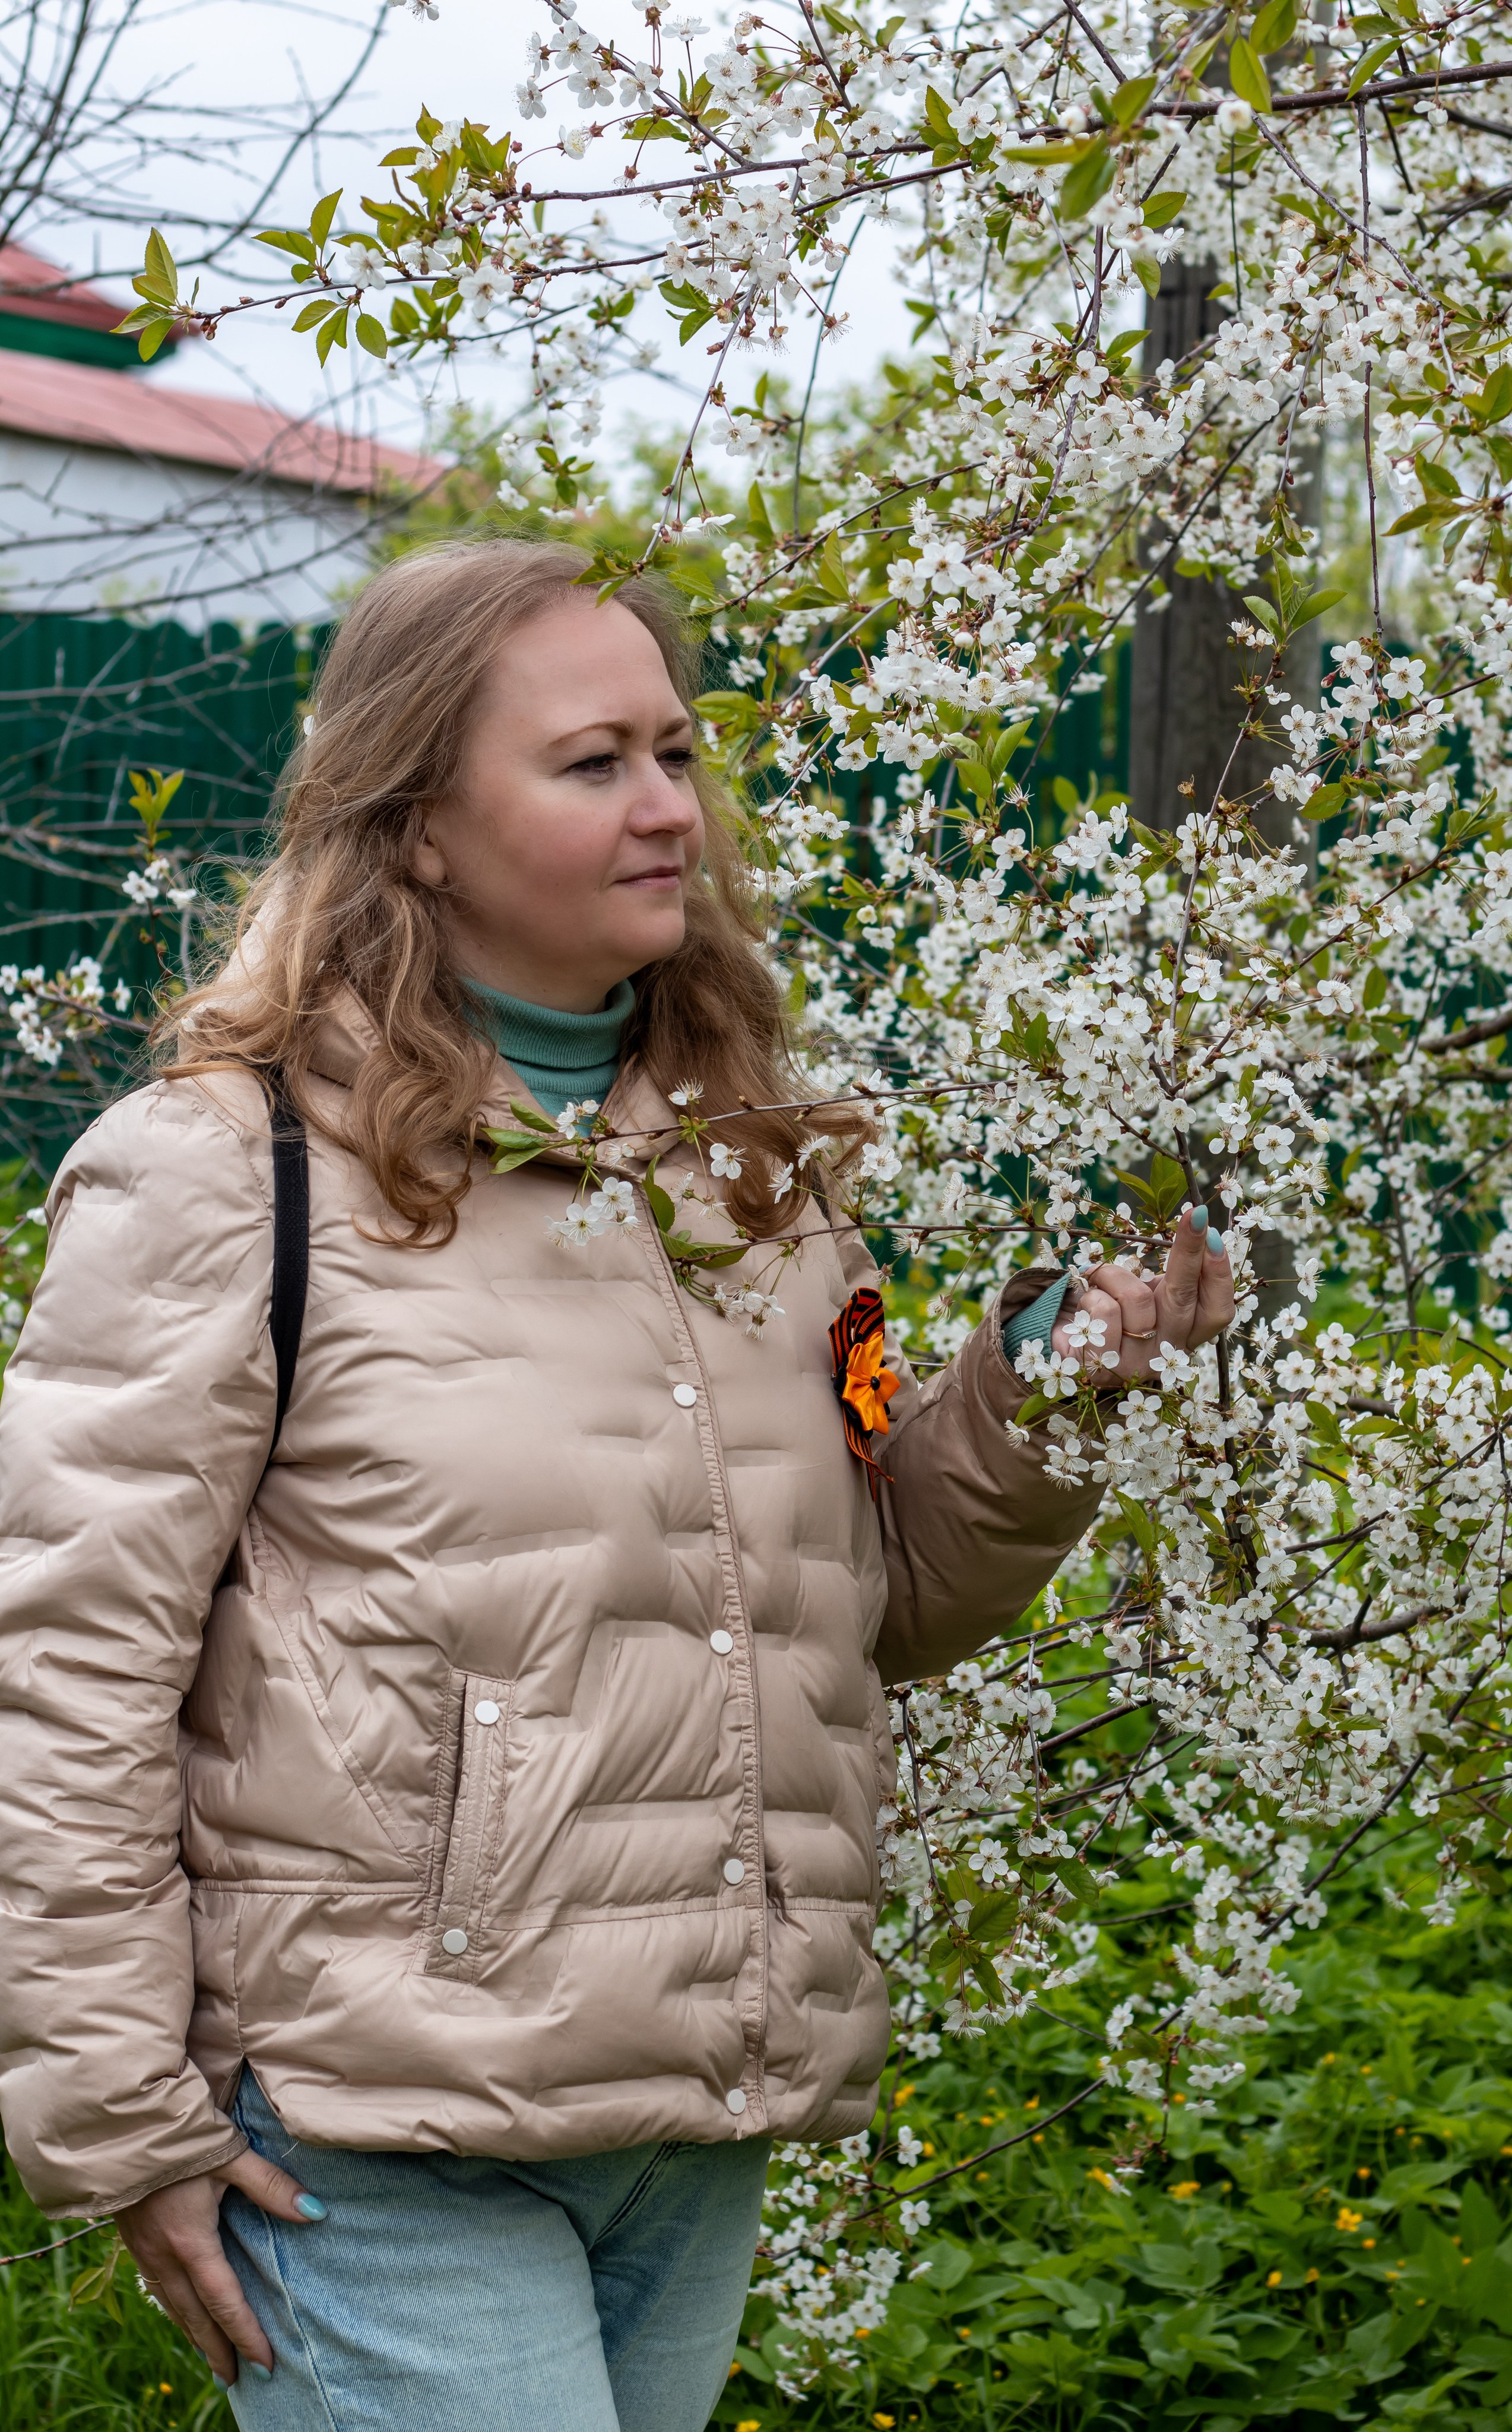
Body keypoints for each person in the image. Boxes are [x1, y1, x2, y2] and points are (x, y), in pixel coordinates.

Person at [0, 538, 1234, 2431]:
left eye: (673, 753)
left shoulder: (756, 1178)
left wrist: (1047, 1395)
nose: (668, 807)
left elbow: (872, 1607)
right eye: (593, 764)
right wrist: (119, 2114)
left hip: (685, 2110)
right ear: (416, 826)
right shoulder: (224, 1172)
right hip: (373, 2123)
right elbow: (64, 1669)